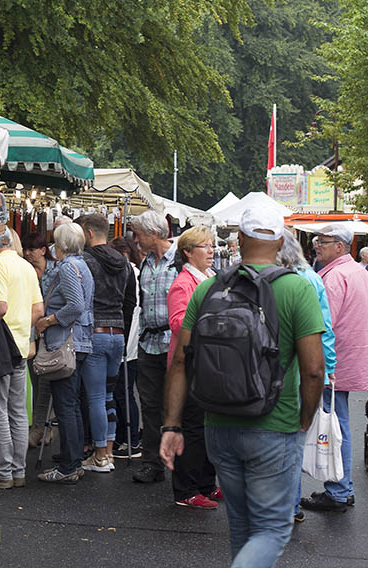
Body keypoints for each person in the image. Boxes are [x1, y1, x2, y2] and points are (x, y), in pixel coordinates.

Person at [160, 207, 325, 567]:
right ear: (280, 242)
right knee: (272, 529)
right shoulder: (296, 288)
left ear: (239, 240)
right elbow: (314, 370)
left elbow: (181, 362)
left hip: (218, 424)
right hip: (275, 424)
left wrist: (172, 425)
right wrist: (304, 420)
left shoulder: (209, 288)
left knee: (241, 526)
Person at [302, 224, 368, 512]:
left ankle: (339, 490)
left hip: (333, 363)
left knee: (333, 427)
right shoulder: (359, 272)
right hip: (349, 360)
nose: (317, 245)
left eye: (324, 241)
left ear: (340, 247)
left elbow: (320, 325)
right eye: (317, 241)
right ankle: (342, 488)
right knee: (338, 425)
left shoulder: (333, 277)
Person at [0, 229, 44, 489]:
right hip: (21, 346)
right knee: (17, 410)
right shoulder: (26, 267)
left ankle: (1, 470)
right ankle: (17, 469)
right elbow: (38, 309)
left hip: (0, 345)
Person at [276, 229, 337, 523]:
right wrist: (329, 368)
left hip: (293, 372)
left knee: (289, 440)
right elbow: (325, 329)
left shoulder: (294, 279)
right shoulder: (311, 277)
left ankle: (287, 506)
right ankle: (290, 505)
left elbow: (321, 328)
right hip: (302, 371)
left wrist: (326, 369)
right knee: (293, 440)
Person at [165, 225, 220, 509]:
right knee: (192, 427)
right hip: (189, 363)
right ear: (188, 252)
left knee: (208, 426)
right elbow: (177, 322)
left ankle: (207, 484)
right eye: (204, 246)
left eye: (211, 245)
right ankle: (186, 489)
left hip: (209, 362)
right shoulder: (183, 283)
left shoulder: (211, 278)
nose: (211, 250)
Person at [35, 223, 95, 483]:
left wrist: (49, 320)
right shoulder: (82, 265)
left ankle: (69, 465)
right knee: (72, 405)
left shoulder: (69, 267)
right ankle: (74, 461)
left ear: (61, 244)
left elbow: (75, 306)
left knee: (66, 406)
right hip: (80, 340)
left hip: (67, 341)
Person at [78, 213, 136, 472]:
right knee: (110, 396)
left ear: (89, 233)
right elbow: (130, 302)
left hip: (95, 332)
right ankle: (109, 452)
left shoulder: (86, 261)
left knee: (96, 397)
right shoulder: (124, 264)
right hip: (118, 332)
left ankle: (100, 455)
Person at [129, 210, 178, 484]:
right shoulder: (146, 263)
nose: (136, 240)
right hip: (149, 343)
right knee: (149, 406)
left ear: (154, 234)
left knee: (177, 405)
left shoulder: (180, 260)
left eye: (139, 235)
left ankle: (180, 462)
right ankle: (152, 463)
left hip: (174, 344)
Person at [21, 232, 57, 448]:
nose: (27, 253)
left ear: (43, 250)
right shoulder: (26, 272)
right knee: (37, 383)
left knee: (45, 384)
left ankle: (40, 428)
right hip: (32, 334)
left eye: (31, 249)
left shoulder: (56, 271)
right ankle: (44, 428)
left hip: (51, 333)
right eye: (25, 249)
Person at [110, 235, 143, 458]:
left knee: (124, 390)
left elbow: (130, 308)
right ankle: (127, 438)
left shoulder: (130, 273)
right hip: (130, 339)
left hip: (128, 340)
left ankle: (130, 439)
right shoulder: (133, 272)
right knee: (123, 390)